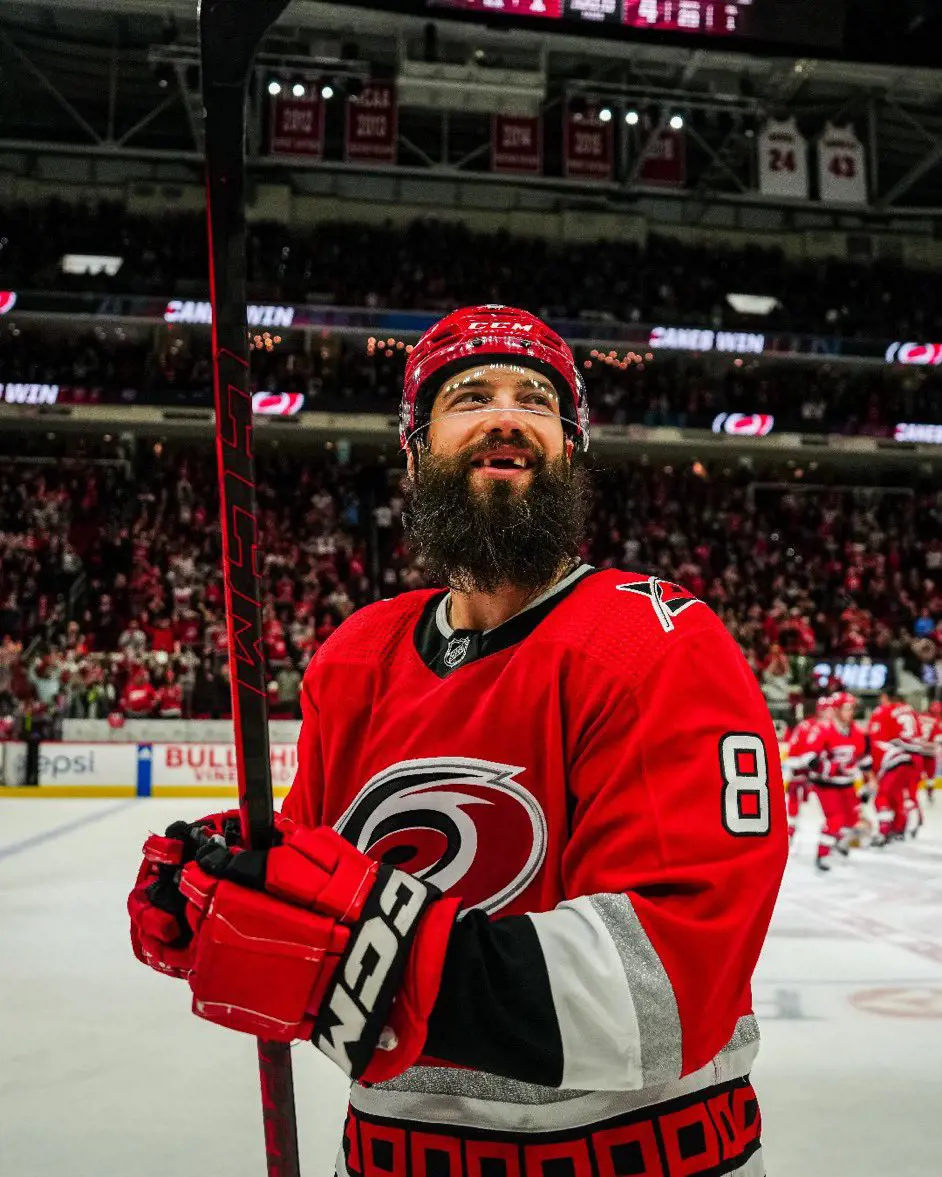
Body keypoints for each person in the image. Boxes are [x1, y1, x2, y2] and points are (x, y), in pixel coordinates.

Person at [129, 306, 788, 1177]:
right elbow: (320, 880)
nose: (506, 414)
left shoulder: (658, 643)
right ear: (415, 450)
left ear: (570, 446)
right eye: (470, 396)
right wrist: (226, 880)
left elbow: (663, 992)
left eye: (536, 400)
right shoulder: (356, 656)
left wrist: (355, 955)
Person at [809, 692, 869, 870]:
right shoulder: (822, 730)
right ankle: (822, 854)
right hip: (826, 784)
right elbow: (811, 760)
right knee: (835, 819)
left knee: (853, 820)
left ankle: (839, 845)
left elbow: (864, 760)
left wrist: (869, 781)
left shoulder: (857, 732)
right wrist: (834, 768)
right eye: (846, 708)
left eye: (852, 708)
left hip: (846, 783)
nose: (850, 712)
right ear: (836, 710)